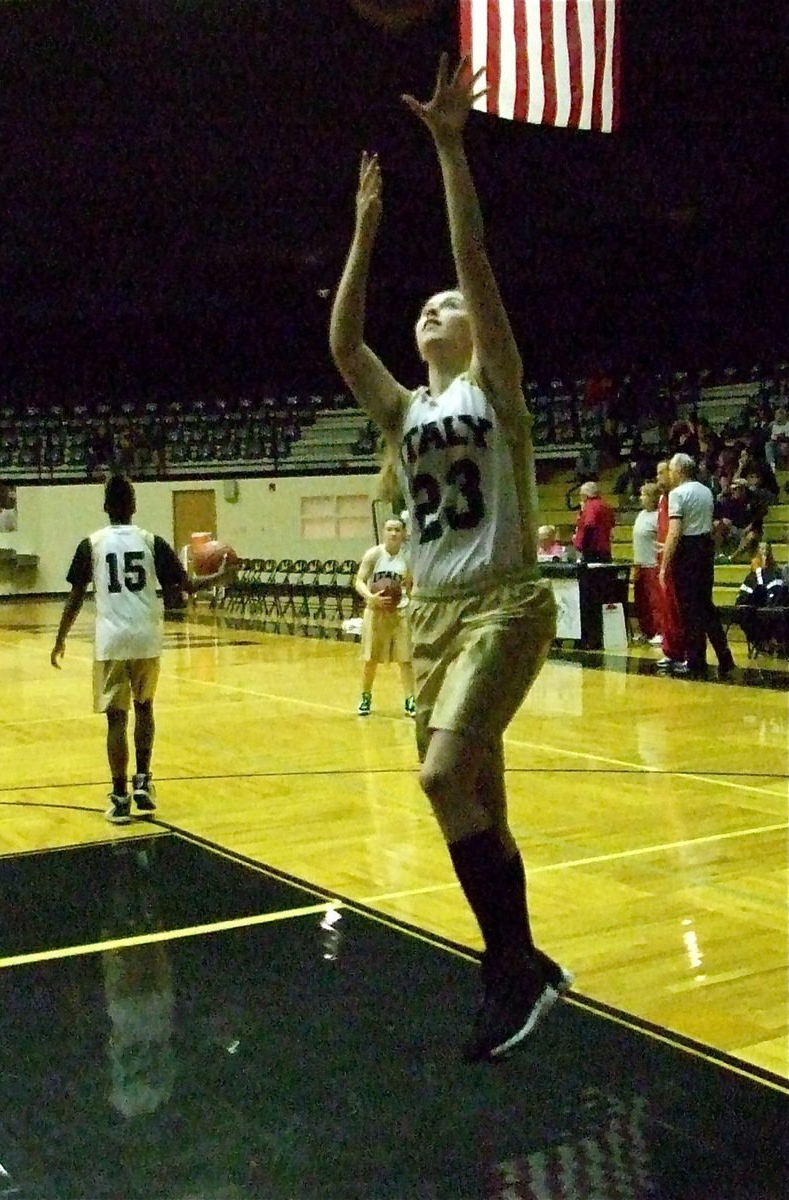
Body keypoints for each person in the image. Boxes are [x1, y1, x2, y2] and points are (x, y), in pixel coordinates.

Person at [329, 54, 568, 1063]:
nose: (433, 311)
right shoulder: (404, 411)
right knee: (487, 809)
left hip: (503, 607)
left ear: (473, 332)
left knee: (436, 778)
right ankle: (528, 971)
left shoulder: (492, 388)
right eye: (421, 310)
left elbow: (473, 263)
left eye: (445, 307)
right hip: (429, 624)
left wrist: (448, 149)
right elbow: (346, 345)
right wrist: (365, 234)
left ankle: (506, 972)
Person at [51, 475, 231, 824]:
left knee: (116, 720)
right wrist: (218, 578)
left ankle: (119, 797)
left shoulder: (92, 543)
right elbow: (188, 587)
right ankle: (144, 781)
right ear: (134, 506)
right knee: (144, 707)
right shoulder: (152, 541)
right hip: (147, 639)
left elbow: (74, 598)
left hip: (112, 641)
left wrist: (60, 638)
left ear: (105, 507)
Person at [659, 453, 735, 678]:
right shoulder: (706, 491)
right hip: (705, 549)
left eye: (671, 470)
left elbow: (675, 531)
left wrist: (664, 566)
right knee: (706, 606)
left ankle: (695, 660)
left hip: (688, 553)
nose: (670, 474)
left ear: (680, 471)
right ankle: (724, 656)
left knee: (689, 610)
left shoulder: (677, 494)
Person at [354, 516, 416, 717]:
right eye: (390, 529)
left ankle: (410, 699)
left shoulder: (408, 557)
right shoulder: (373, 554)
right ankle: (365, 696)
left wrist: (409, 600)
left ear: (404, 533)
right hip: (376, 610)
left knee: (405, 658)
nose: (394, 533)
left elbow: (411, 585)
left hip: (400, 610)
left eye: (398, 530)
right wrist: (371, 597)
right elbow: (359, 581)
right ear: (384, 532)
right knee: (370, 658)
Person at [653, 459, 686, 671]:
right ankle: (670, 649)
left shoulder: (677, 497)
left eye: (660, 473)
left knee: (676, 608)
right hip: (662, 557)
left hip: (674, 559)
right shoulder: (663, 499)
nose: (657, 478)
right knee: (666, 608)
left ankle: (681, 651)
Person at [734, 541, 789, 655]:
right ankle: (762, 641)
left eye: (766, 549)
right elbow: (743, 598)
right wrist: (759, 572)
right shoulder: (752, 576)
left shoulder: (776, 572)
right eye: (761, 549)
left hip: (774, 608)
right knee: (747, 613)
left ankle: (776, 641)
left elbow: (778, 594)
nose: (764, 552)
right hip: (755, 610)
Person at [631, 482, 664, 644]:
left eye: (644, 495)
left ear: (652, 497)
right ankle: (646, 630)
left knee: (655, 601)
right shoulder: (641, 514)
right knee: (641, 601)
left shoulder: (658, 516)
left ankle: (660, 631)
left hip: (652, 564)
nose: (641, 498)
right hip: (639, 564)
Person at [572, 481, 615, 563]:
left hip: (593, 550)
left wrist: (582, 545)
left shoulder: (590, 506)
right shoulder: (606, 505)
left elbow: (589, 525)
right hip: (605, 547)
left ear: (585, 495)